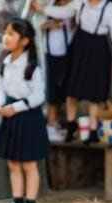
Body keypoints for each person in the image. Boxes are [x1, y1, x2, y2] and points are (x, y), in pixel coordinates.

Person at [31, 0, 112, 144]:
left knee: (95, 92)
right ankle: (71, 126)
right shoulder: (80, 3)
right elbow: (63, 12)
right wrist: (41, 9)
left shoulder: (109, 9)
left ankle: (92, 130)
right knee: (72, 88)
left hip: (98, 48)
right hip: (79, 46)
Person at [0, 18, 49, 203]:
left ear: (24, 40)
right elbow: (1, 91)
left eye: (11, 34)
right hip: (10, 118)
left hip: (28, 118)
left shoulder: (32, 67)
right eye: (5, 33)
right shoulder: (4, 64)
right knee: (13, 163)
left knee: (28, 164)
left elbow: (38, 97)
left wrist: (15, 108)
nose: (5, 37)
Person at [40, 0, 75, 142]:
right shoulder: (47, 9)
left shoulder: (74, 9)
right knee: (53, 95)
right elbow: (35, 27)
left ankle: (68, 126)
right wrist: (49, 25)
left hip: (68, 55)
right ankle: (50, 126)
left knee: (69, 93)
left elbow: (76, 27)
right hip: (51, 56)